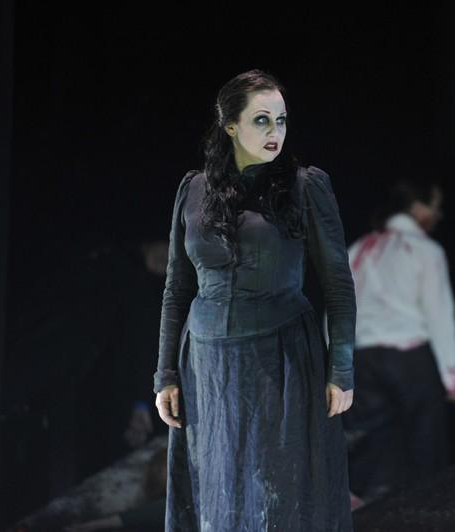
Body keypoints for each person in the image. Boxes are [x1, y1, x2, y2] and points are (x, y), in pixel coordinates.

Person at [152, 69, 356, 531]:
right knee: (217, 498)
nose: (274, 131)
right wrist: (165, 374)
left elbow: (338, 284)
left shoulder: (305, 186)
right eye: (261, 119)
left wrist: (341, 369)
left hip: (281, 359)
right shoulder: (193, 190)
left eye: (281, 120)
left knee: (278, 499)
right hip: (207, 367)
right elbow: (177, 288)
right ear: (230, 125)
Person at [341, 178, 455, 504]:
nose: (438, 215)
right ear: (418, 207)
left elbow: (336, 312)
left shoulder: (358, 249)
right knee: (425, 456)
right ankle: (427, 516)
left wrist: (336, 370)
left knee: (371, 457)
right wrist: (452, 376)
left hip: (363, 362)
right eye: (435, 207)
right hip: (410, 360)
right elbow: (439, 315)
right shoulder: (425, 250)